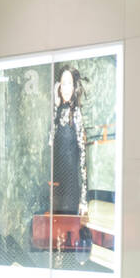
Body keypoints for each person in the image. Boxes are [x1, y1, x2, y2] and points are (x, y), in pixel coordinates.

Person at [50, 65, 88, 217]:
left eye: (69, 83)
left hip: (72, 188)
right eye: (63, 83)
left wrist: (84, 199)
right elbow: (50, 143)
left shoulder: (77, 113)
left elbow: (83, 159)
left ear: (74, 87)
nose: (66, 88)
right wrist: (55, 105)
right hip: (57, 186)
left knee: (69, 235)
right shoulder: (56, 112)